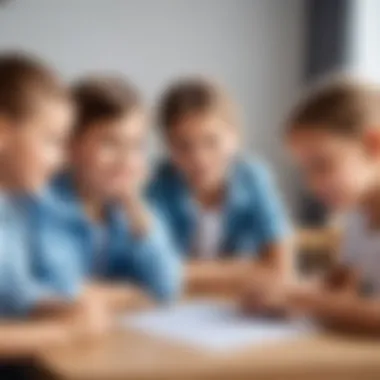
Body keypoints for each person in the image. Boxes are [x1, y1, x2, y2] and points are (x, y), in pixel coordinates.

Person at [246, 78, 380, 333]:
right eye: (306, 170)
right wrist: (284, 292)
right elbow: (339, 280)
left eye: (321, 164)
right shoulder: (358, 215)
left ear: (374, 145)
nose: (311, 184)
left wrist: (305, 301)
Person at [36, 75, 182, 304]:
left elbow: (168, 286)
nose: (126, 160)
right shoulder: (44, 206)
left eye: (136, 146)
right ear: (70, 145)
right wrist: (137, 292)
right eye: (109, 143)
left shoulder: (130, 209)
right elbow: (66, 295)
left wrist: (135, 207)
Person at [149, 77, 292, 290]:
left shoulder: (253, 178)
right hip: (175, 303)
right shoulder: (155, 186)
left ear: (235, 138)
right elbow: (154, 271)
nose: (198, 157)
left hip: (236, 305)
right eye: (182, 145)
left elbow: (280, 268)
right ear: (167, 146)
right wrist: (248, 269)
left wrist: (183, 270)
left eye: (211, 142)